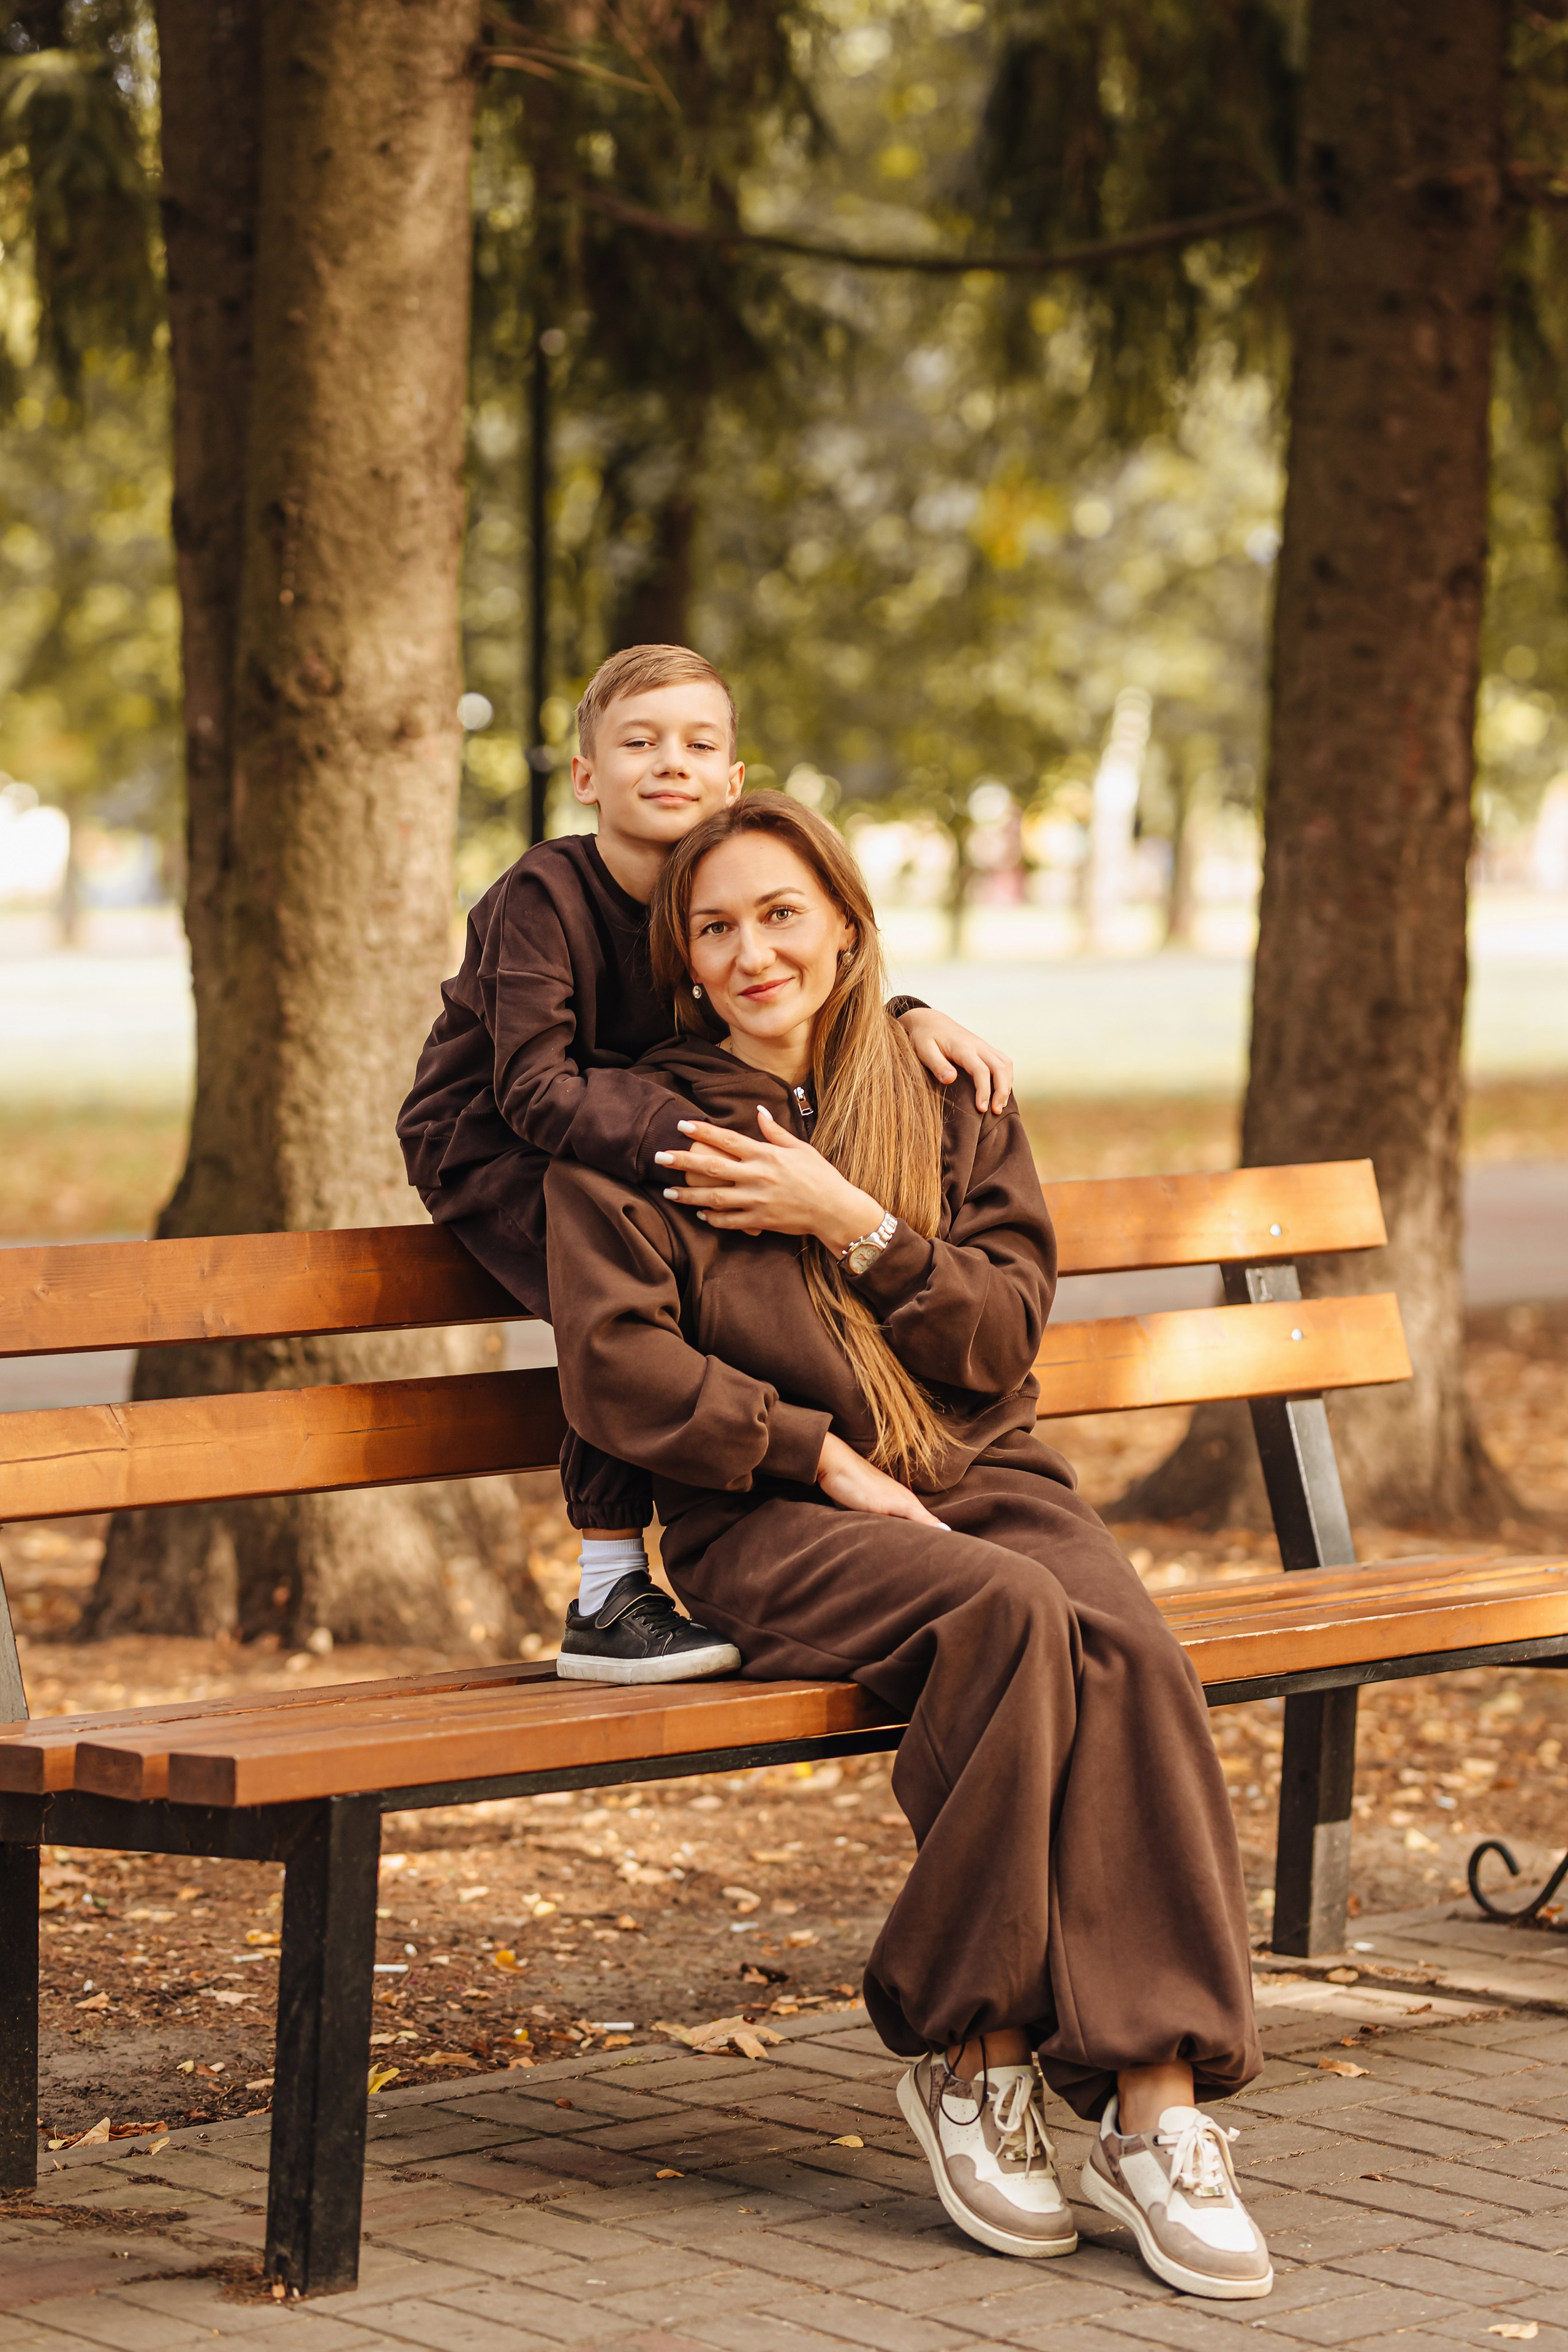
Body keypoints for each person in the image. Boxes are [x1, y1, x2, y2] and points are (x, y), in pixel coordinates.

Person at [541, 792, 1272, 2301]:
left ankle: (1153, 2109)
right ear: (680, 956)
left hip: (978, 1466)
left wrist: (846, 1219)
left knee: (1124, 1646)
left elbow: (1000, 1331)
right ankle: (976, 2048)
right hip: (772, 1513)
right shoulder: (639, 1132)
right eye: (715, 926)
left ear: (847, 926)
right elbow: (618, 1369)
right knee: (1008, 1619)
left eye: (781, 915)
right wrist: (806, 1448)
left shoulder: (942, 1093)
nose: (753, 951)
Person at [398, 643, 1013, 1683]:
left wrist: (903, 1016)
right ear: (587, 776)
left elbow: (804, 973)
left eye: (698, 743)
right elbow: (534, 1089)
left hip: (629, 1129)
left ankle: (793, 1468)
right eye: (637, 743)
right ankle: (604, 1585)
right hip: (491, 1145)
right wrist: (698, 1148)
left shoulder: (717, 889)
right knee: (615, 1294)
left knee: (668, 1252)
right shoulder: (542, 896)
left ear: (733, 780)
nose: (668, 762)